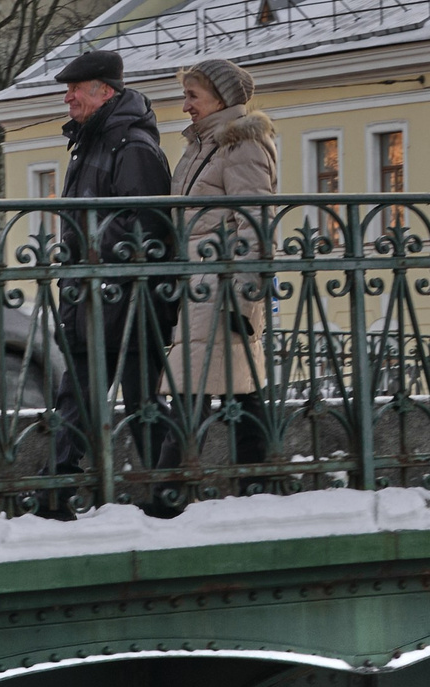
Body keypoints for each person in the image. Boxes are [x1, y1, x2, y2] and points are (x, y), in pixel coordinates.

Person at [47, 49, 181, 519]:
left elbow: (146, 225)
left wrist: (89, 247)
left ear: (104, 91)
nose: (68, 99)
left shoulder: (132, 146)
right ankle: (60, 488)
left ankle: (169, 490)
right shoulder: (92, 142)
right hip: (95, 292)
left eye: (75, 90)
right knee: (88, 392)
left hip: (126, 296)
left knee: (134, 399)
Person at [168, 57, 276, 491]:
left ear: (221, 99)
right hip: (198, 283)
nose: (185, 106)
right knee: (237, 391)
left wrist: (246, 298)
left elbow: (256, 225)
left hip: (220, 288)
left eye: (192, 96)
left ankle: (168, 492)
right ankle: (257, 485)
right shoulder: (202, 145)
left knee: (192, 391)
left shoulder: (242, 146)